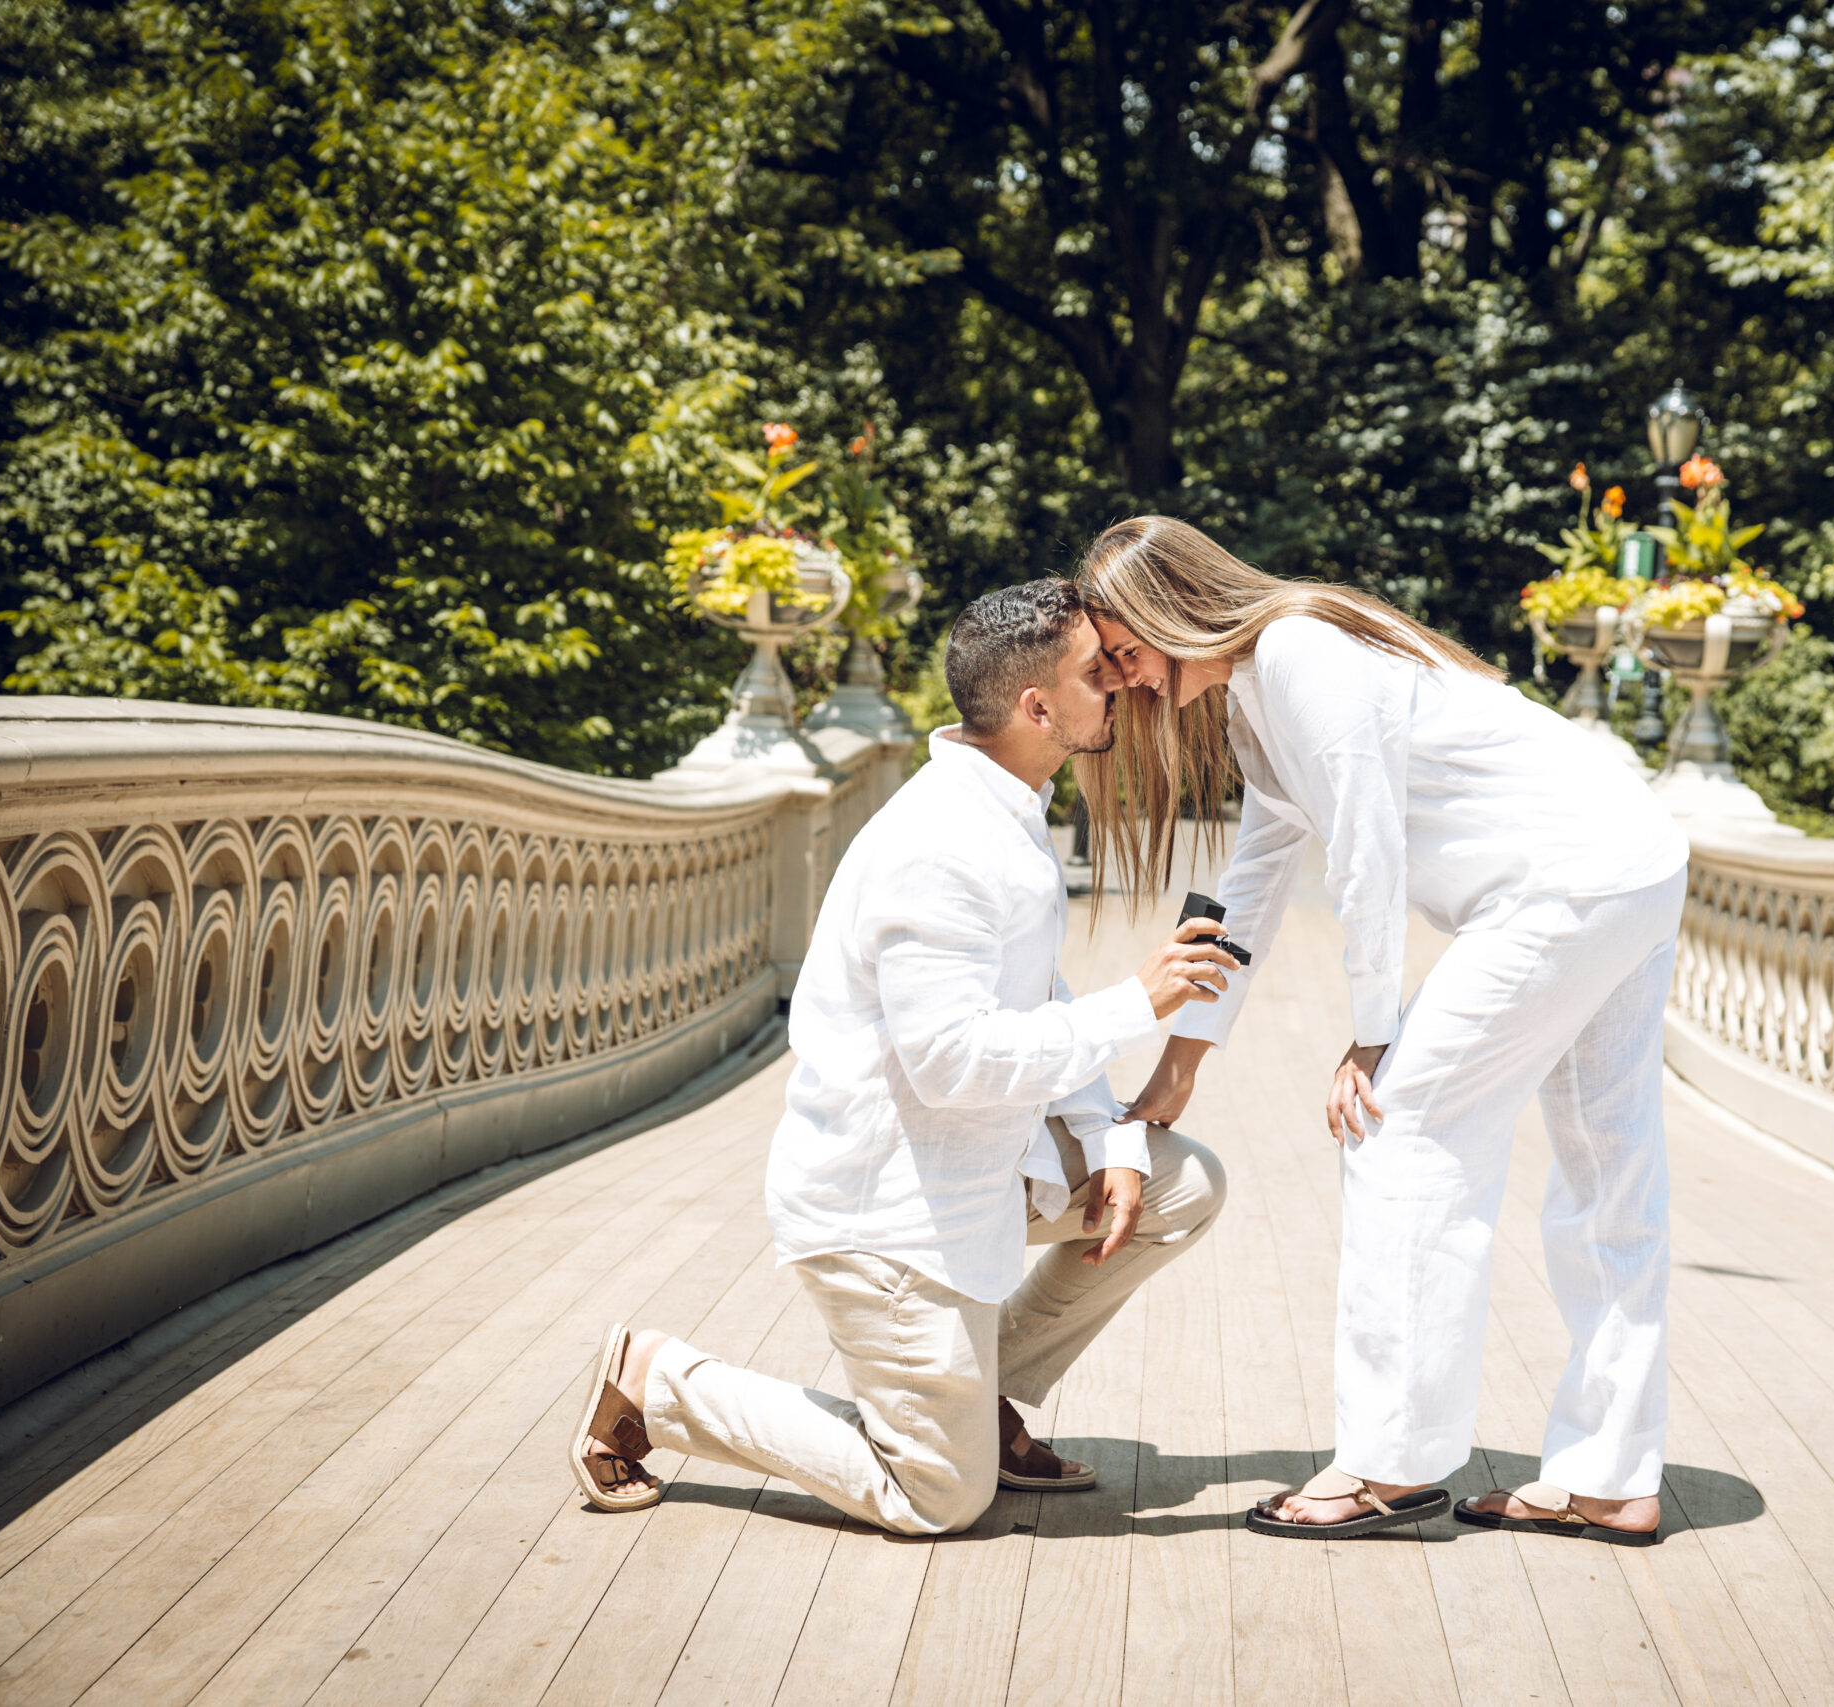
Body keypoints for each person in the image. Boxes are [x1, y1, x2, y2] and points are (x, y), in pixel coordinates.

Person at [568, 579, 1234, 1534]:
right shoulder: (943, 848)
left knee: (1178, 1182)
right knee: (939, 1496)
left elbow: (1034, 998)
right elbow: (952, 1066)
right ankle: (655, 1379)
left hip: (981, 1165)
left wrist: (1108, 1134)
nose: (1121, 686)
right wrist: (1138, 1003)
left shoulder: (1007, 807)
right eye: (1098, 673)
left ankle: (978, 1398)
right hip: (889, 1214)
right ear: (1034, 707)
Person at [1074, 517, 1689, 1545]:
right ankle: (1609, 1475)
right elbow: (1256, 881)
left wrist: (1373, 1034)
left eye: (1128, 650)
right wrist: (1183, 1064)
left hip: (1564, 889)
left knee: (1397, 1128)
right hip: (1628, 870)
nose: (1128, 679)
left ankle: (1386, 1467)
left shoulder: (1301, 653)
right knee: (1609, 1176)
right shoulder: (1258, 693)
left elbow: (1366, 851)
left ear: (1173, 610)